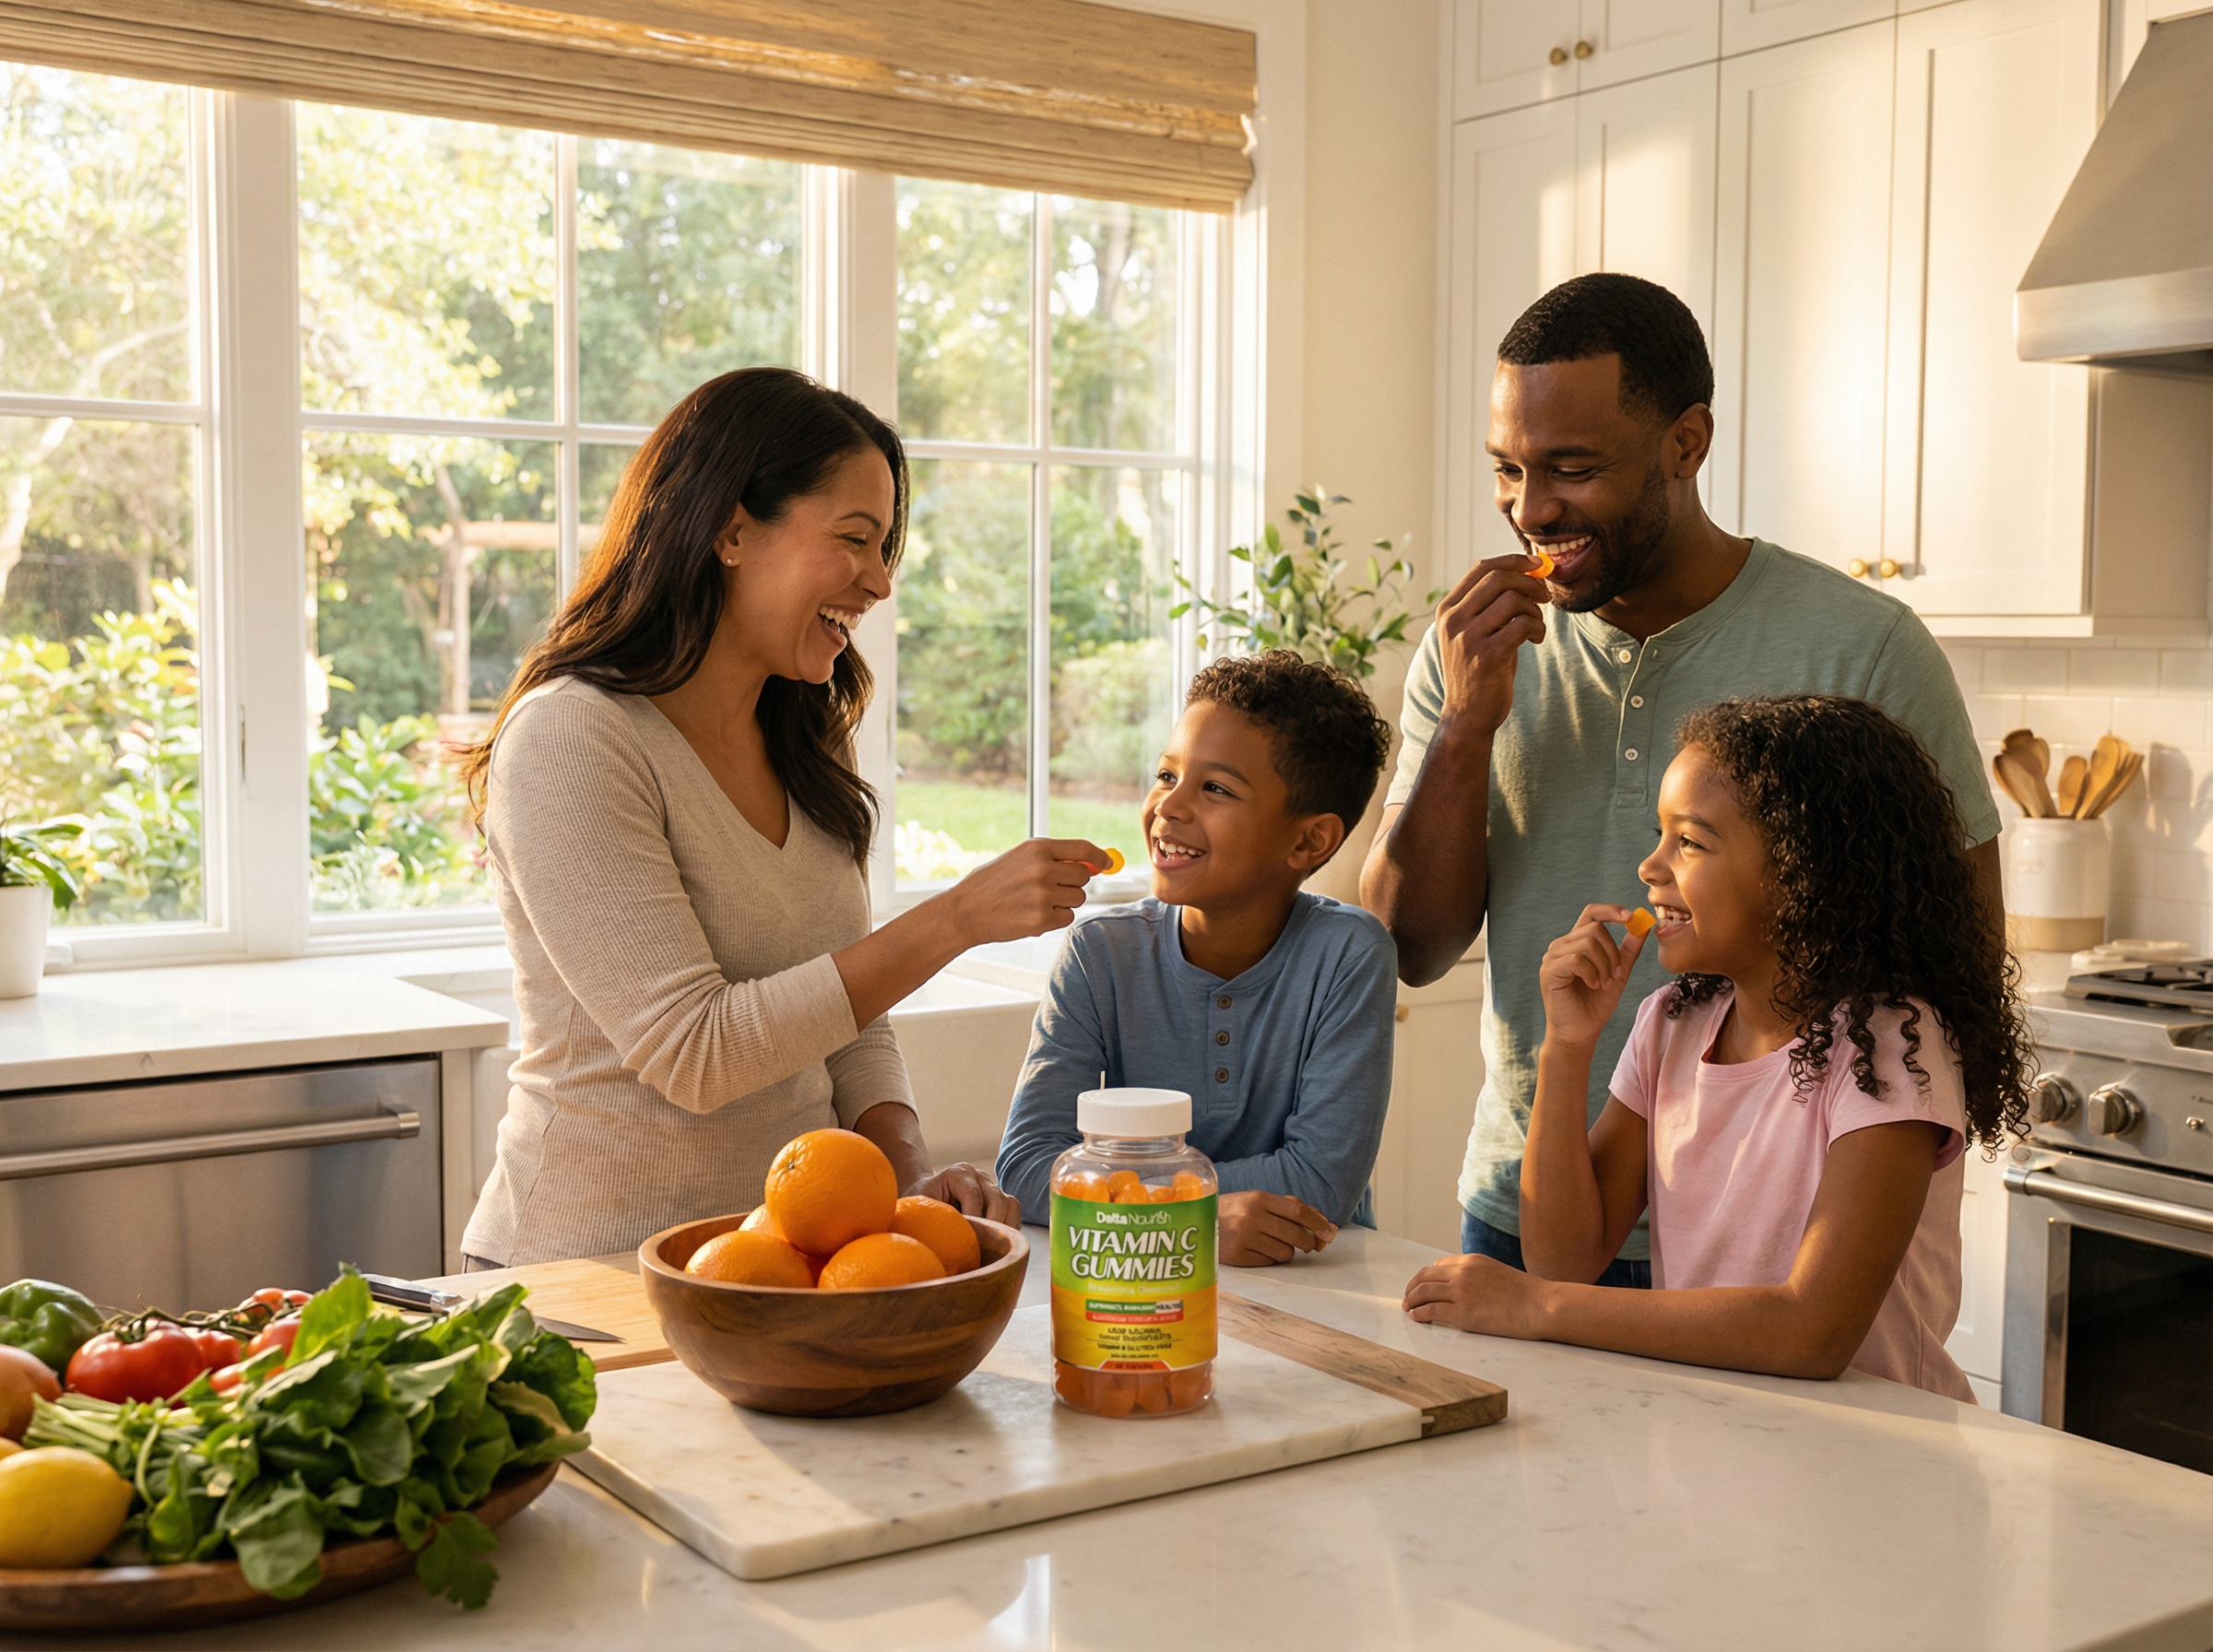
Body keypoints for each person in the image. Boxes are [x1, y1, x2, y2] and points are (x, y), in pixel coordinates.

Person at [1361, 273, 2002, 1287]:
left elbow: (1955, 959)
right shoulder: (1473, 651)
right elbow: (1408, 944)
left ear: (1687, 443)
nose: (1532, 510)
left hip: (1777, 1227)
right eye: (1508, 469)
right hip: (1539, 1202)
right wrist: (1466, 728)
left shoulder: (1864, 647)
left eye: (1571, 468)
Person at [458, 368, 1110, 1267]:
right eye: (856, 539)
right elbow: (696, 1052)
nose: (880, 582)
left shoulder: (807, 737)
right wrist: (956, 919)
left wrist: (906, 1177)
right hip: (585, 1278)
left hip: (785, 1266)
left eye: (887, 549)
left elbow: (847, 1016)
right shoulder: (574, 734)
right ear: (731, 527)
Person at [1402, 697, 2033, 1398]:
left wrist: (1535, 1307)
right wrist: (1566, 1047)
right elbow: (1564, 1260)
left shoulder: (1886, 1046)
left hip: (1877, 1456)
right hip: (1726, 1426)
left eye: (1690, 843)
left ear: (1803, 873)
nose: (1651, 866)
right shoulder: (1673, 1022)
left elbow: (1812, 1332)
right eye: (1660, 836)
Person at [996, 651, 1399, 1266]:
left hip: (1315, 1284)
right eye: (1166, 775)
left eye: (1215, 788)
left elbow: (1320, 1184)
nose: (1170, 807)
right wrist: (1195, 1220)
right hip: (1141, 1279)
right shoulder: (1100, 954)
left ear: (1308, 840)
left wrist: (1134, 1201)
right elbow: (1025, 1166)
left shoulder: (1349, 954)